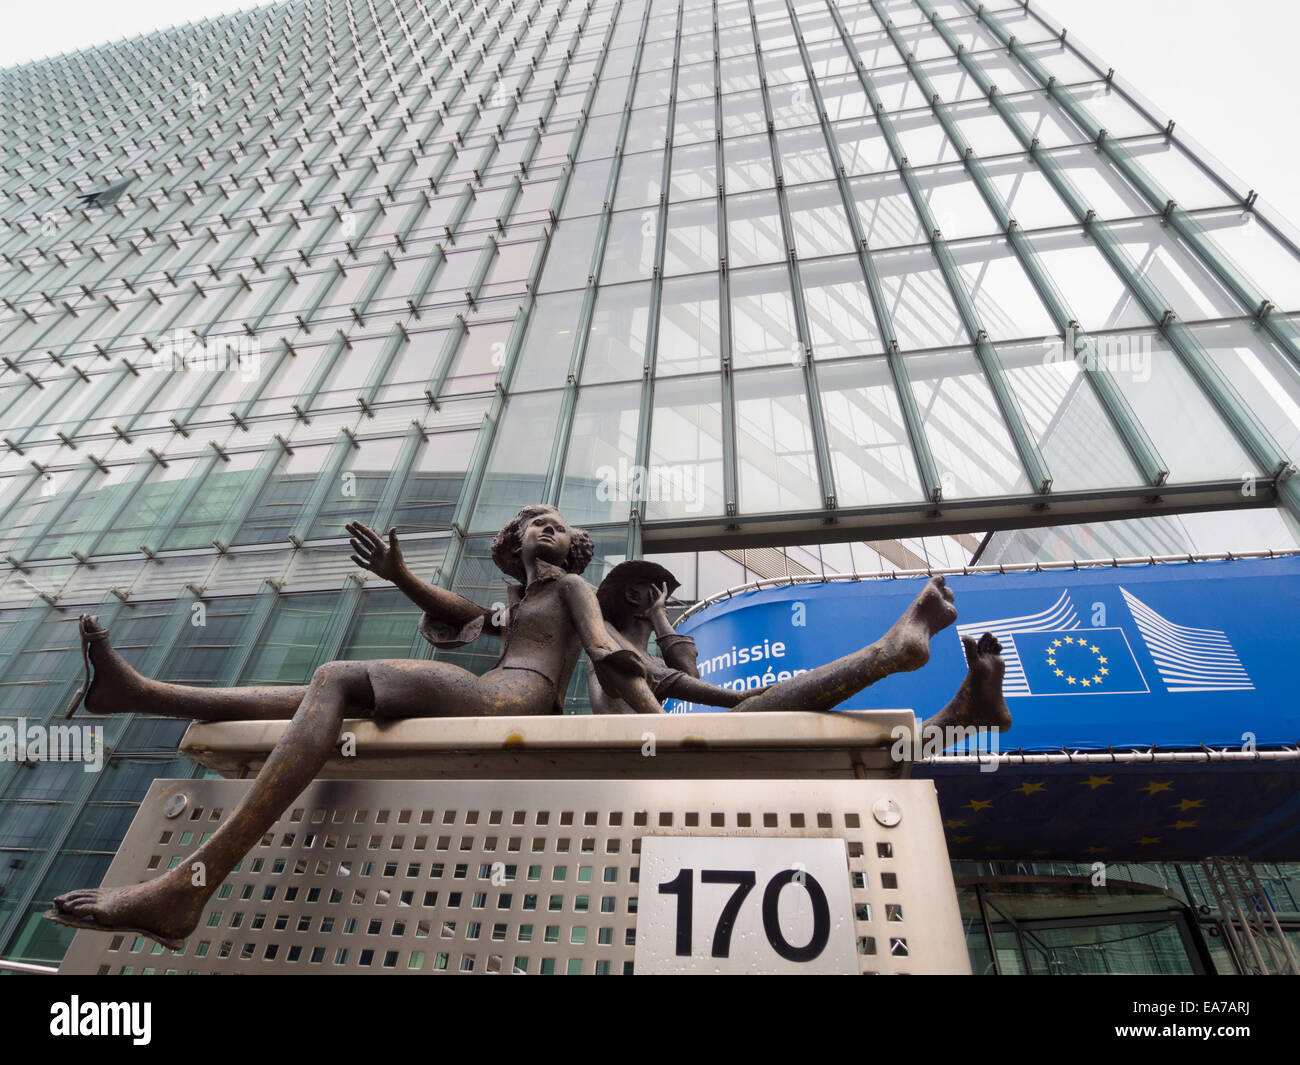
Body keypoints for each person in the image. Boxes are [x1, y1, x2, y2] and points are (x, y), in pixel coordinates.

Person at [48, 504, 970, 948]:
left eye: (551, 524)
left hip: (510, 699)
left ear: (565, 549)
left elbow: (600, 642)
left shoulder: (568, 589)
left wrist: (639, 662)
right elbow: (458, 609)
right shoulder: (515, 600)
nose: (539, 529)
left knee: (333, 679)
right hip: (480, 683)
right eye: (530, 523)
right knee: (318, 695)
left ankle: (190, 881)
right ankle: (148, 695)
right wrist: (405, 577)